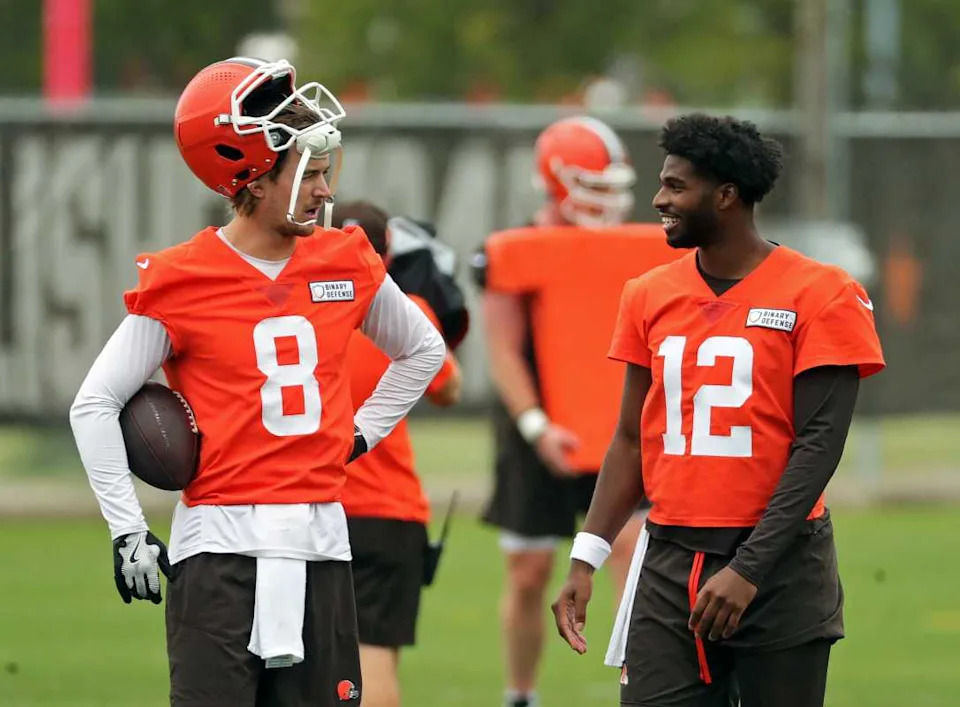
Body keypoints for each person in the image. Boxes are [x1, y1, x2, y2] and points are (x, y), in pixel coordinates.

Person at [69, 57, 445, 707]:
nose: (326, 191)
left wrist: (360, 432)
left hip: (322, 545)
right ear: (251, 175)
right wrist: (126, 528)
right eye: (312, 172)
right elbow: (96, 401)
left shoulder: (346, 258)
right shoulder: (183, 276)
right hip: (219, 550)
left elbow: (422, 349)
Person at [552, 113, 886, 707]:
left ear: (727, 196)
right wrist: (588, 556)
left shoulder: (822, 292)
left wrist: (749, 569)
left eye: (676, 187)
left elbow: (818, 447)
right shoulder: (649, 293)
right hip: (670, 561)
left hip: (779, 566)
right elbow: (631, 439)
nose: (659, 200)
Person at [474, 116, 682, 707]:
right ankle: (521, 694)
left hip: (617, 424)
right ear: (554, 182)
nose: (604, 198)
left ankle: (647, 689)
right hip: (535, 427)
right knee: (529, 571)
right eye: (590, 183)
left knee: (633, 552)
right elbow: (504, 350)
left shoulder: (638, 251)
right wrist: (537, 425)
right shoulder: (518, 251)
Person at [332, 200, 465, 707]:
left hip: (306, 507)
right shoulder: (407, 310)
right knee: (374, 656)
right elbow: (451, 388)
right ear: (385, 251)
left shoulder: (293, 309)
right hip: (388, 511)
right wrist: (428, 297)